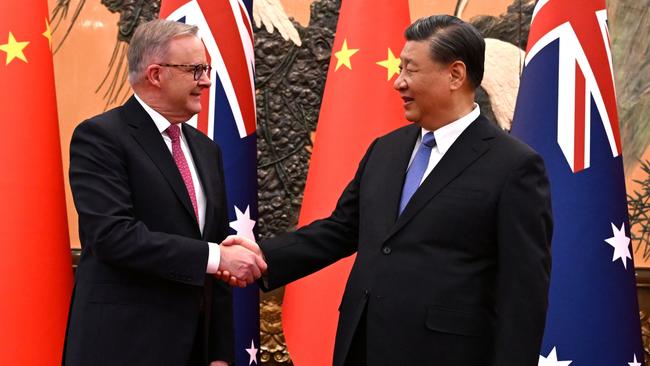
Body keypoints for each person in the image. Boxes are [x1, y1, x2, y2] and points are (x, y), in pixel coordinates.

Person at [221, 15, 552, 366]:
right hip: (362, 346)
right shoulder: (386, 149)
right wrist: (260, 258)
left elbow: (524, 295)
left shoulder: (513, 165)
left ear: (455, 75)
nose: (398, 82)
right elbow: (340, 230)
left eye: (410, 70)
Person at [63, 19, 266, 366]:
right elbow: (113, 236)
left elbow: (215, 248)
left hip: (193, 350)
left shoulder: (206, 149)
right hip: (122, 347)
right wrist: (216, 256)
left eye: (206, 69)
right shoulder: (100, 138)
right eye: (196, 69)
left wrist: (218, 353)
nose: (206, 80)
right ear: (156, 74)